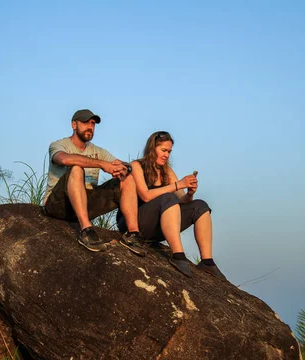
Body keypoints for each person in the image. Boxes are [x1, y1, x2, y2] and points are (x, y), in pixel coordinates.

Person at [117, 131, 226, 279]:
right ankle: (178, 255)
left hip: (158, 225)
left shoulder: (166, 171)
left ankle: (207, 261)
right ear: (152, 149)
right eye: (163, 150)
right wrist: (177, 185)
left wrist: (190, 193)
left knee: (200, 206)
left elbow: (182, 200)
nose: (167, 155)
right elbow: (145, 195)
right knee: (168, 198)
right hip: (137, 221)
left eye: (169, 151)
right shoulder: (137, 165)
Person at [41, 109, 147, 255]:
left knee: (127, 178)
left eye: (93, 123)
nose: (90, 126)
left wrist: (124, 168)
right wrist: (102, 164)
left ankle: (133, 235)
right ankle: (86, 231)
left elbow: (122, 164)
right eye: (85, 122)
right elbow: (64, 159)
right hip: (59, 204)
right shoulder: (58, 144)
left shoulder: (99, 151)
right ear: (74, 124)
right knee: (76, 168)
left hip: (85, 203)